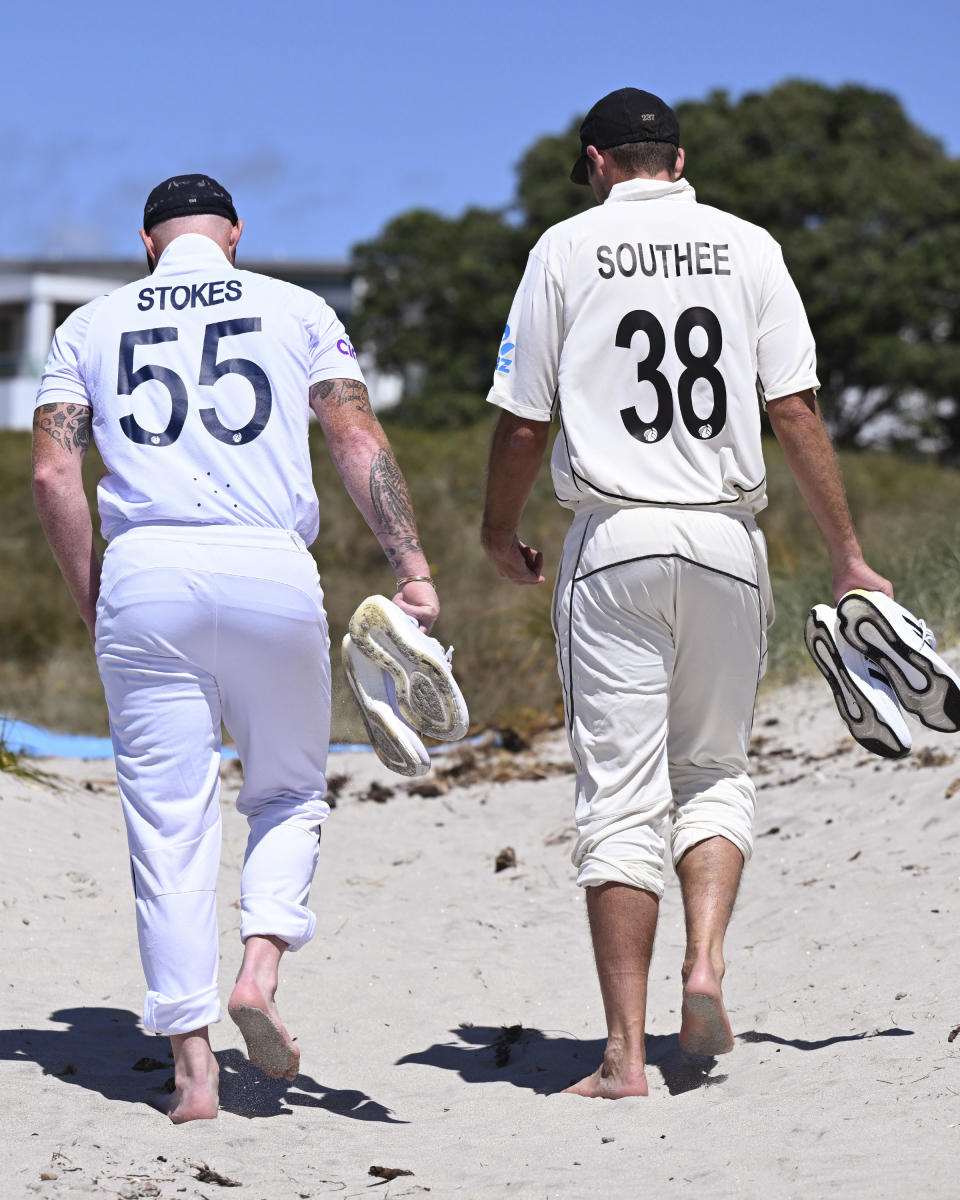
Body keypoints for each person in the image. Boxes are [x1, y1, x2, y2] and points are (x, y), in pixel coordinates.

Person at [481, 88, 892, 1098]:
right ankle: (705, 965)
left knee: (618, 796)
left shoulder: (563, 252)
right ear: (679, 156)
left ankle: (624, 1057)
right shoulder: (749, 245)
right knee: (714, 768)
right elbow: (791, 409)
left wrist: (497, 529)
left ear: (596, 162)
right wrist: (846, 554)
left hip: (614, 539)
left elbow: (525, 422)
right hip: (724, 538)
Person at [32, 174, 439, 1122]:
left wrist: (95, 598)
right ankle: (258, 967)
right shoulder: (297, 308)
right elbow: (354, 433)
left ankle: (192, 1069)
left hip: (145, 571)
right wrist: (411, 567)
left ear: (147, 243)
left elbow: (55, 469)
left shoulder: (87, 326)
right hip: (268, 568)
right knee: (289, 789)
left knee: (168, 821)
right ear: (234, 236)